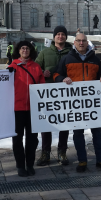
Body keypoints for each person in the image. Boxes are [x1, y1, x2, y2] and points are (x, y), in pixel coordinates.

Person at [54, 32, 101, 173]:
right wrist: (63, 79)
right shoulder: (67, 58)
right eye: (79, 41)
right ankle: (82, 160)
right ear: (74, 43)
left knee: (97, 132)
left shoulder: (94, 59)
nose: (81, 43)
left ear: (87, 43)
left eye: (84, 41)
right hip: (76, 104)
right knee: (78, 133)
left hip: (93, 103)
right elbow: (57, 74)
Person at [34, 26, 72, 166]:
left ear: (66, 37)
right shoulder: (44, 53)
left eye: (63, 34)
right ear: (54, 37)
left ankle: (62, 151)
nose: (60, 36)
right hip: (48, 93)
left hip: (66, 93)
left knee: (64, 123)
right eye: (58, 34)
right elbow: (35, 68)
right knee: (46, 123)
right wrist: (42, 72)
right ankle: (45, 153)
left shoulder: (71, 53)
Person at [8, 41, 45, 177]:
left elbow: (42, 86)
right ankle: (20, 165)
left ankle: (29, 163)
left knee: (32, 139)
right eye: (22, 48)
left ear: (31, 51)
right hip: (17, 108)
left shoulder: (36, 67)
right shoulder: (12, 67)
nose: (25, 50)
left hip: (32, 108)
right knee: (17, 139)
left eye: (27, 48)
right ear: (18, 51)